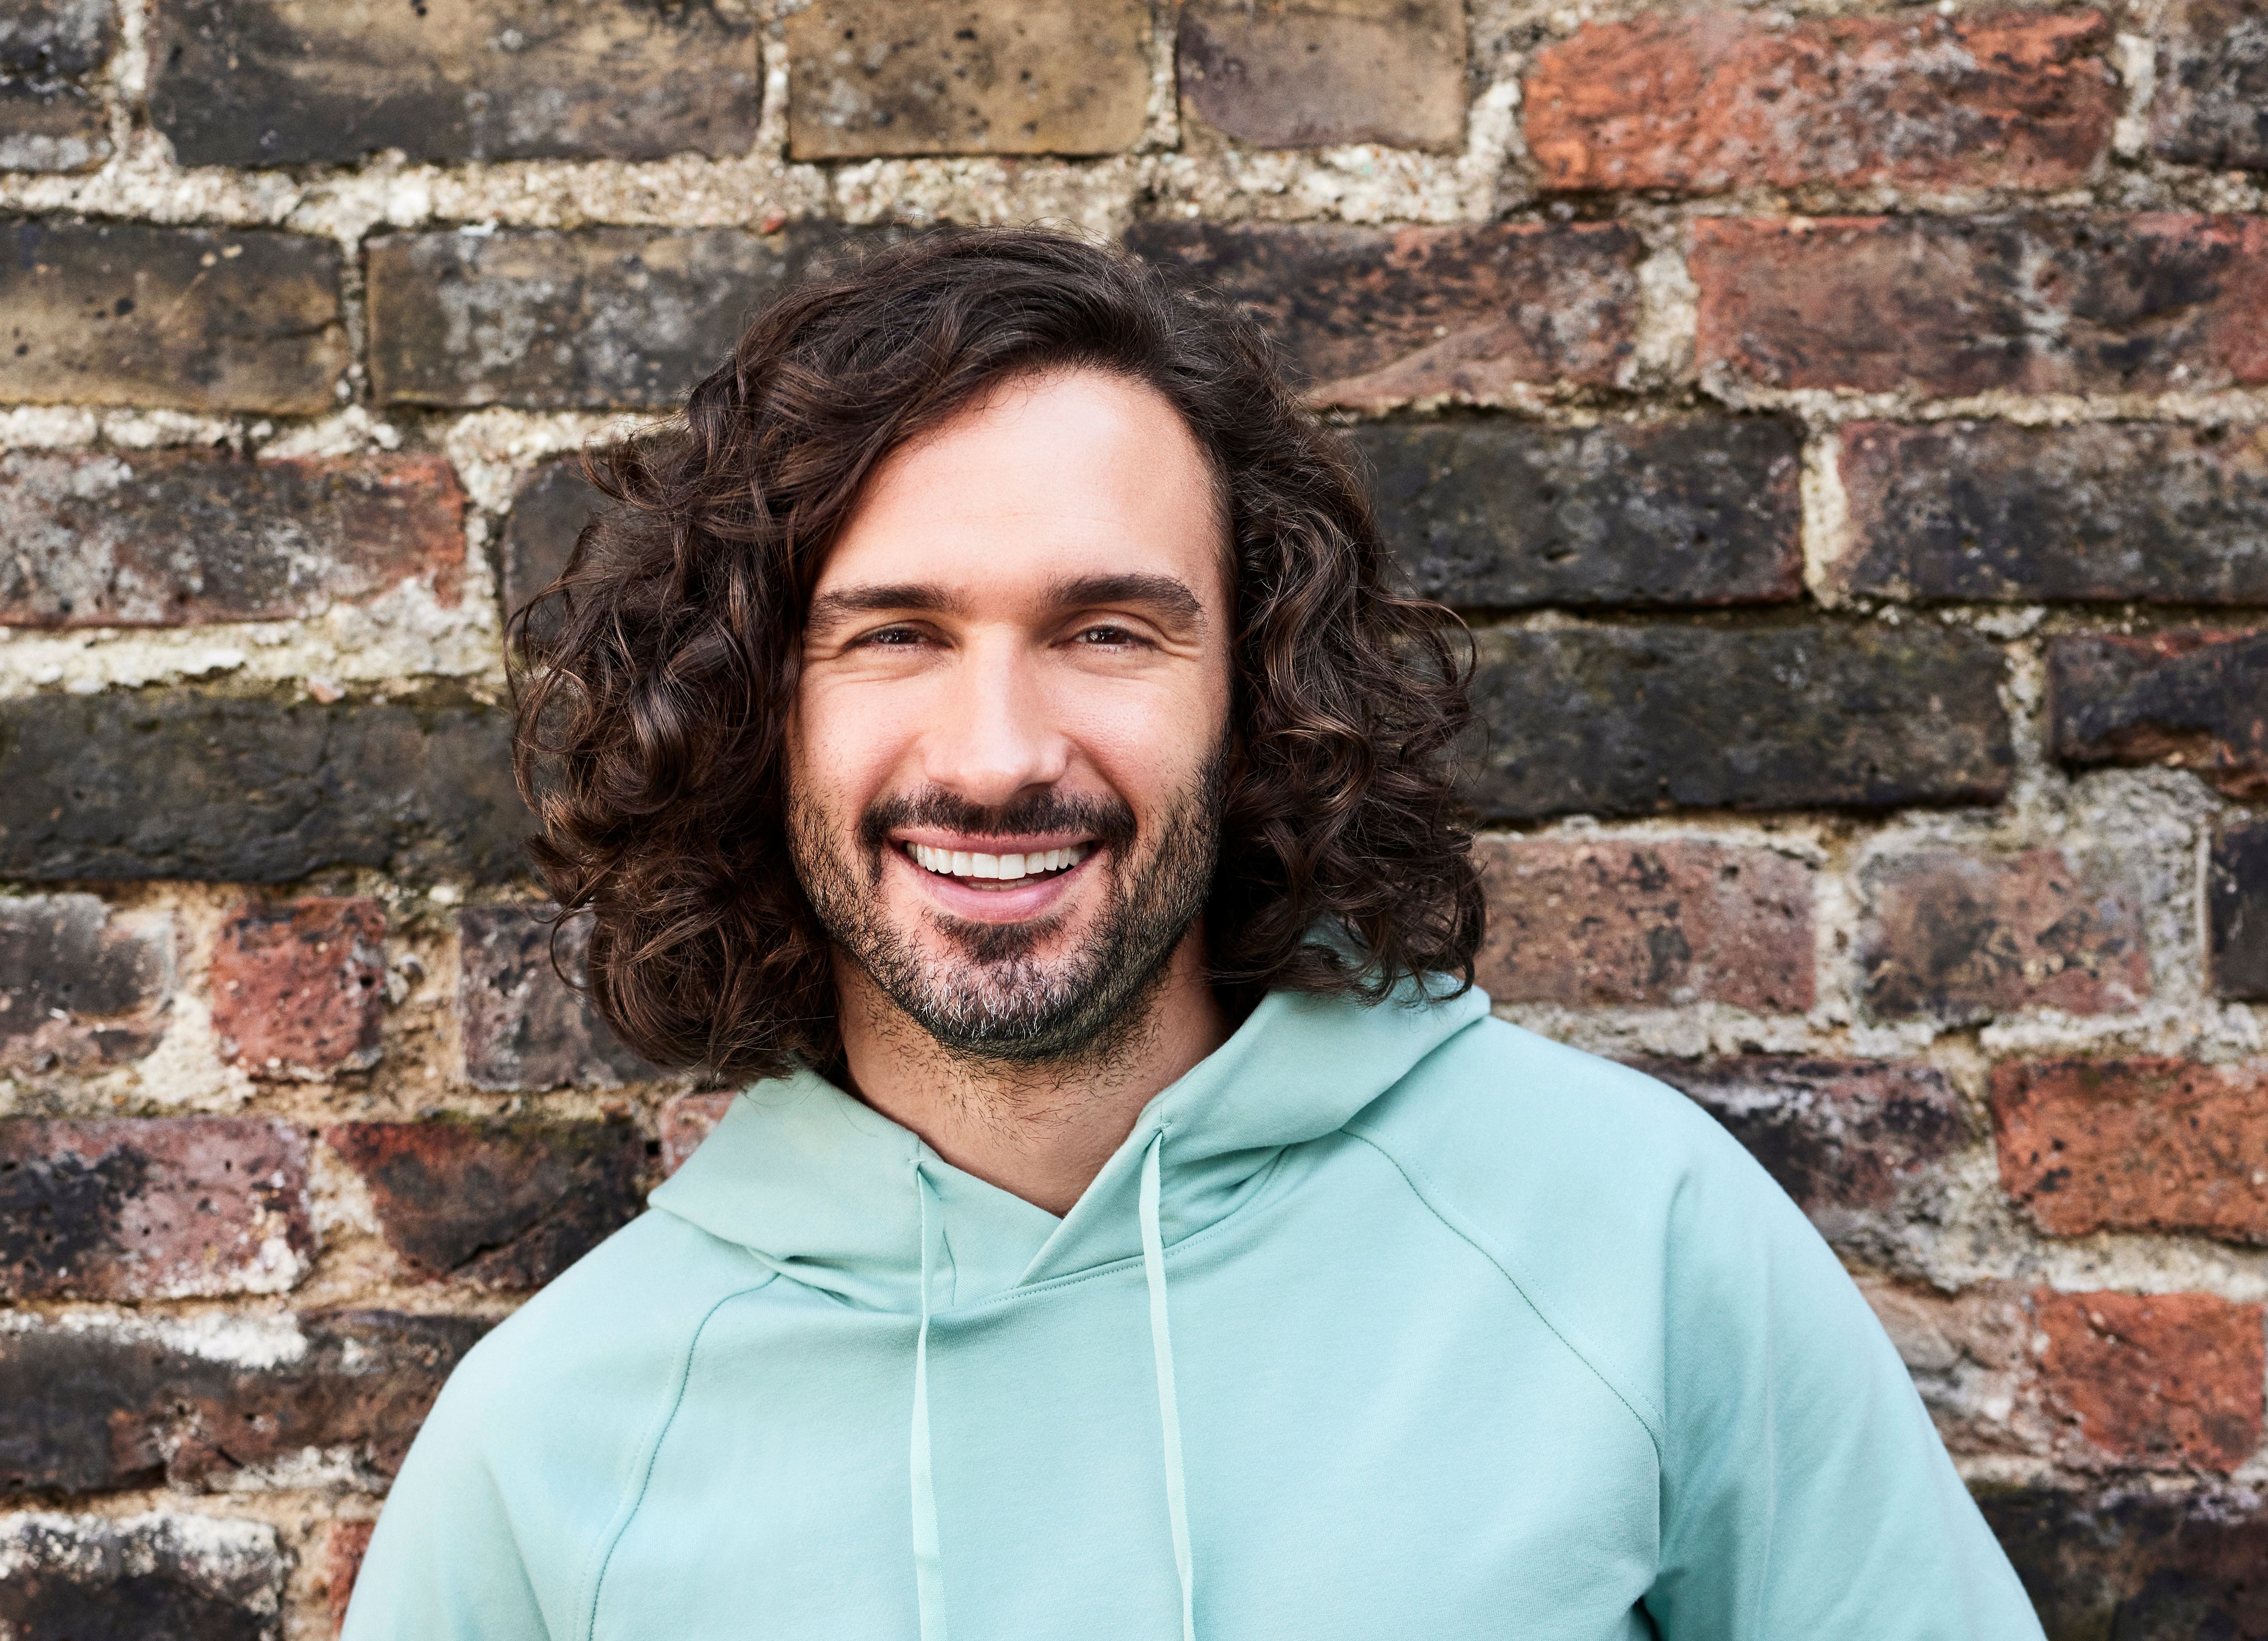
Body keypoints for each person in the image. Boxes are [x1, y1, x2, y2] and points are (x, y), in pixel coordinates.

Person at [343, 228, 2040, 1641]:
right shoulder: (549, 1444)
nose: (998, 751)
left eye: (1105, 631)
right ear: (750, 714)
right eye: (893, 637)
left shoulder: (1627, 1239)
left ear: (1255, 692)